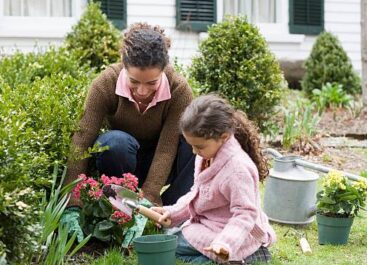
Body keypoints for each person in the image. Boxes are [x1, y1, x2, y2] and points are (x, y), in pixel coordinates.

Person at [60, 23, 195, 247]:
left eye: (152, 83)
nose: (142, 91)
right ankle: (121, 204)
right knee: (113, 143)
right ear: (124, 66)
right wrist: (71, 200)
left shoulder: (179, 90)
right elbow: (82, 140)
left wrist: (150, 196)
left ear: (164, 70)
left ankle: (167, 214)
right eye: (134, 82)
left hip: (160, 162)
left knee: (193, 146)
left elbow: (167, 148)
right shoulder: (105, 83)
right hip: (121, 161)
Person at [152, 94, 276, 264]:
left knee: (170, 244)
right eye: (192, 146)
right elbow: (198, 193)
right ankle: (225, 259)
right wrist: (173, 212)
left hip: (235, 235)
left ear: (224, 137)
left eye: (199, 146)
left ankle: (239, 256)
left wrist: (225, 243)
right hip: (211, 225)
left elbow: (245, 213)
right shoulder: (207, 155)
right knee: (170, 241)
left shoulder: (237, 170)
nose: (194, 152)